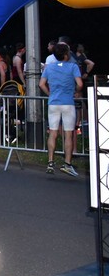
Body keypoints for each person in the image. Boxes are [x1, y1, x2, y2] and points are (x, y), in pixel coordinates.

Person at [40, 42, 83, 177]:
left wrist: (50, 94)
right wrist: (76, 92)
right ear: (66, 54)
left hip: (53, 102)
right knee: (68, 134)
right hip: (67, 103)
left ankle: (51, 162)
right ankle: (67, 164)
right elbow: (80, 84)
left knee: (52, 132)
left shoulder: (50, 67)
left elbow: (41, 84)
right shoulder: (73, 67)